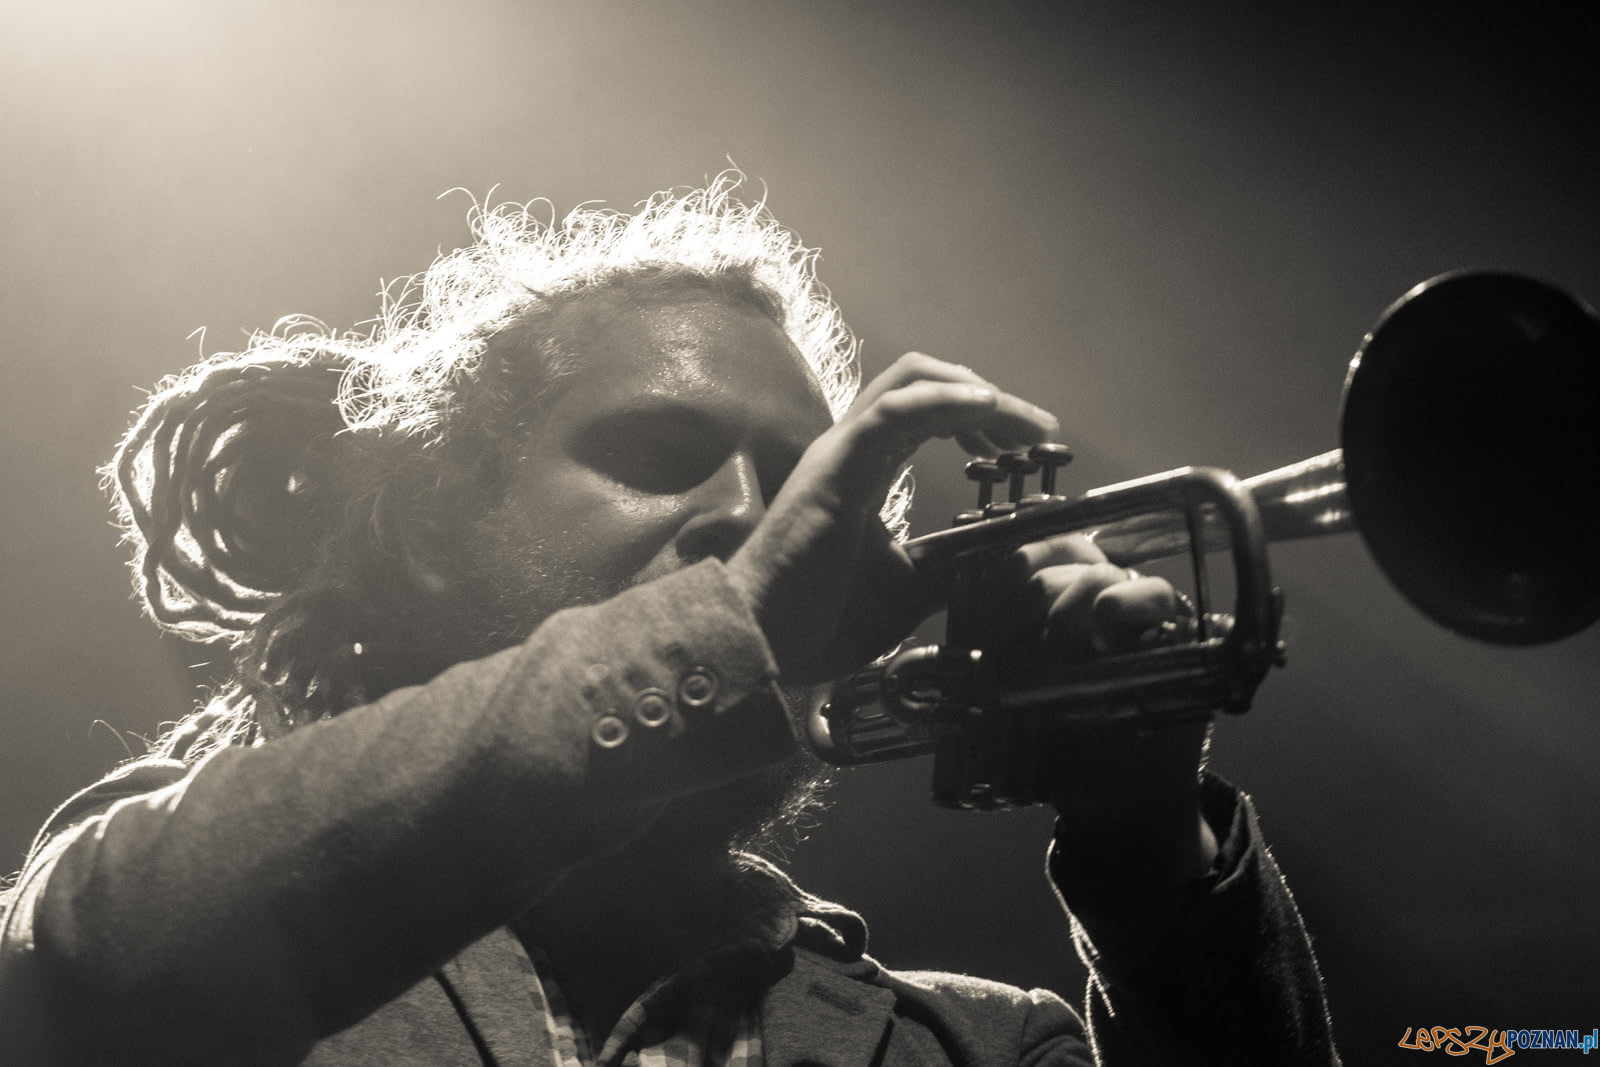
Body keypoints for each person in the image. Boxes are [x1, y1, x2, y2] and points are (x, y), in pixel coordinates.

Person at [0, 175, 1338, 1065]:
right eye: (657, 454)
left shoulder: (976, 1048)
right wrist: (729, 621)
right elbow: (83, 961)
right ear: (432, 537)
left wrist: (1148, 844)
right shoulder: (179, 896)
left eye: (801, 485)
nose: (749, 517)